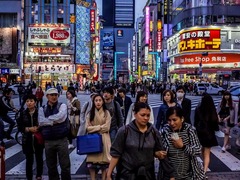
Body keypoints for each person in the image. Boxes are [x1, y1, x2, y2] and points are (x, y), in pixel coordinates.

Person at [106, 102, 175, 180]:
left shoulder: (154, 132)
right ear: (135, 114)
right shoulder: (124, 131)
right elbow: (116, 154)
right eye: (142, 115)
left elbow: (162, 154)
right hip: (127, 174)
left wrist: (171, 175)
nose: (145, 118)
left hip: (147, 174)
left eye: (148, 115)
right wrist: (109, 174)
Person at [160, 106, 205, 179]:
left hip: (188, 176)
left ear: (182, 119)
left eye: (174, 120)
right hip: (169, 176)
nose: (171, 123)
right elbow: (160, 152)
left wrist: (183, 146)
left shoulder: (189, 130)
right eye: (169, 120)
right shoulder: (165, 131)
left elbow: (198, 150)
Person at [38, 88, 71, 180]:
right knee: (51, 166)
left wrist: (47, 120)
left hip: (62, 139)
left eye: (56, 95)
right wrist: (53, 121)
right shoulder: (42, 108)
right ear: (47, 96)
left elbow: (61, 117)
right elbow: (41, 121)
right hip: (48, 141)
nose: (54, 97)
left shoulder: (62, 105)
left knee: (65, 166)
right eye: (51, 95)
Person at [17, 94, 44, 180]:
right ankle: (29, 177)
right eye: (27, 101)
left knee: (39, 159)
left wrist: (38, 127)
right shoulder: (22, 113)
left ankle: (39, 175)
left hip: (38, 139)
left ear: (35, 102)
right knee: (29, 160)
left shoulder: (40, 112)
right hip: (27, 140)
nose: (29, 103)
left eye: (31, 101)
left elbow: (44, 123)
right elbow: (20, 127)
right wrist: (29, 129)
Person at [85, 94, 112, 180]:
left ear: (103, 101)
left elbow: (107, 127)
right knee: (92, 163)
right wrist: (100, 127)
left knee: (104, 164)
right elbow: (87, 128)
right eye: (96, 100)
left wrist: (95, 128)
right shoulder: (90, 113)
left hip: (104, 139)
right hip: (93, 139)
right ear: (93, 102)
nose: (98, 102)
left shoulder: (107, 112)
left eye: (100, 100)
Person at [194, 93, 219, 175]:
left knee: (201, 150)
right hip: (209, 133)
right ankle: (205, 169)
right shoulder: (212, 109)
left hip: (200, 132)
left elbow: (195, 121)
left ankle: (202, 167)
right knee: (207, 152)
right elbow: (215, 123)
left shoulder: (198, 108)